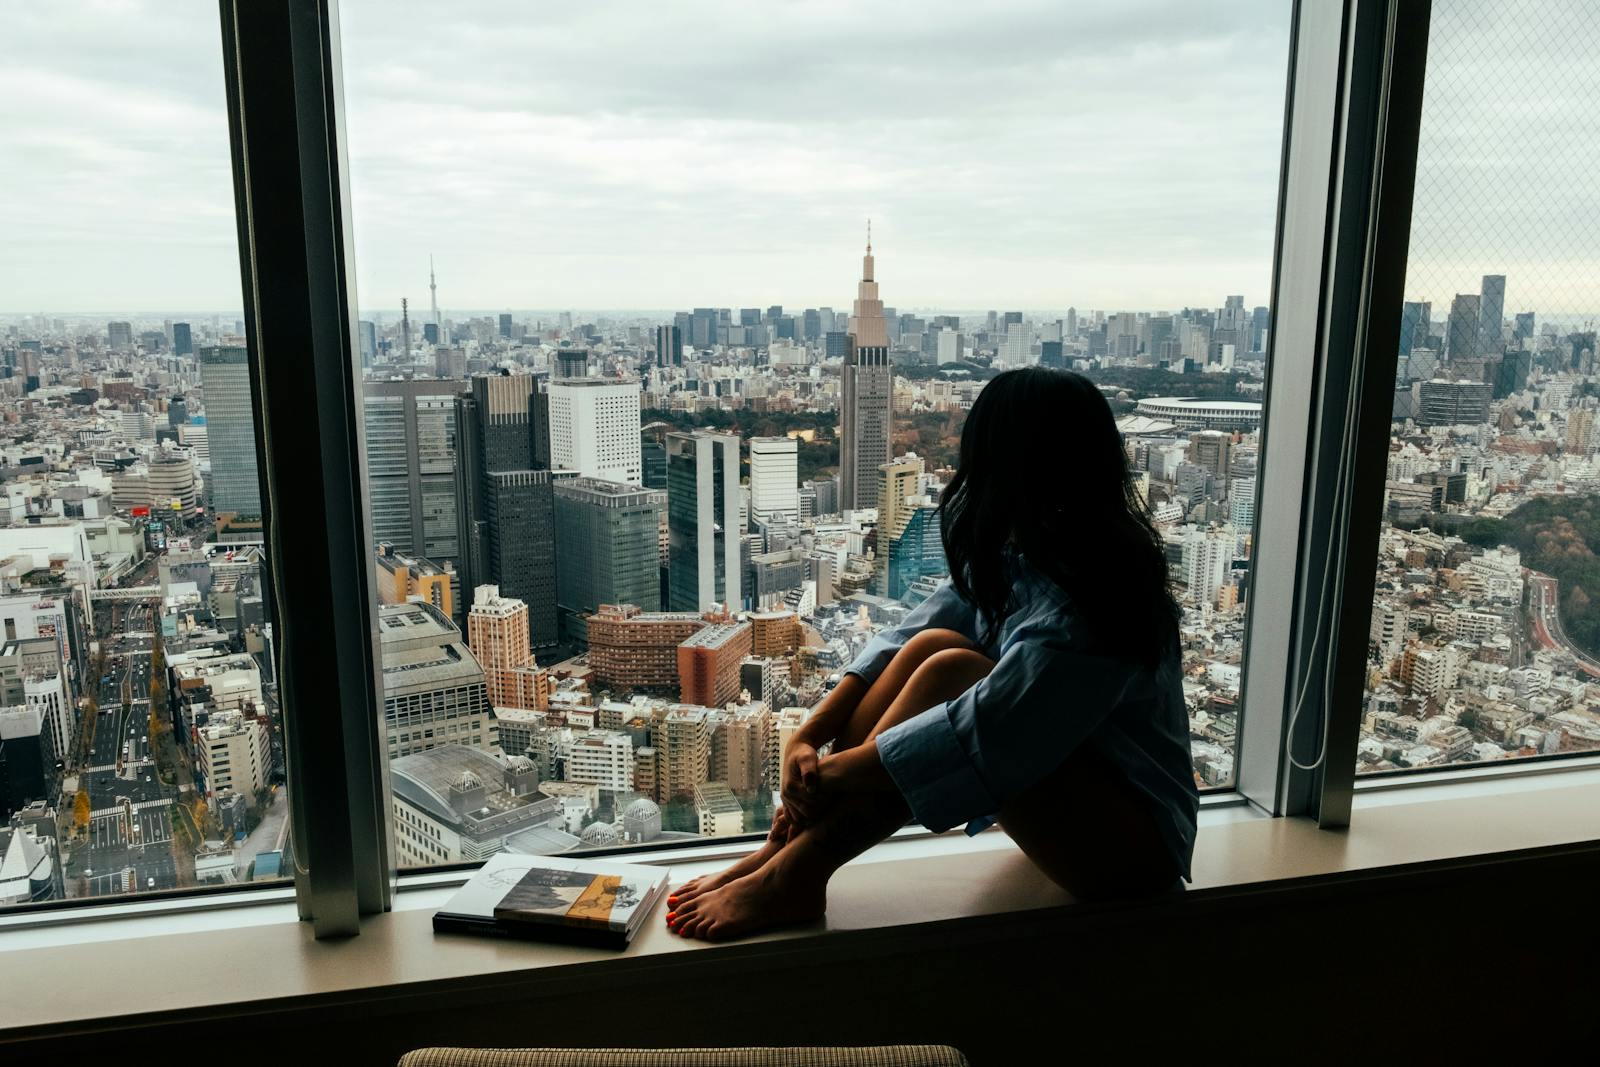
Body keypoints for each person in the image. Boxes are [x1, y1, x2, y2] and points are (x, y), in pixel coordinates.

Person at [666, 367, 1200, 941]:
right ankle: (786, 853)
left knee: (953, 670)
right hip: (1074, 803)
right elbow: (904, 638)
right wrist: (809, 735)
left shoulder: (1096, 609)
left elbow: (979, 730)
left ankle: (796, 870)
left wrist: (827, 775)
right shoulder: (1021, 558)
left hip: (1133, 850)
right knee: (933, 646)